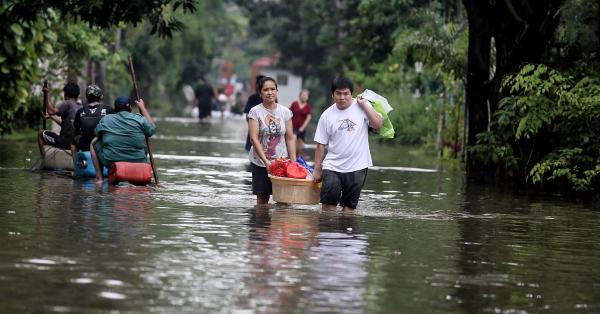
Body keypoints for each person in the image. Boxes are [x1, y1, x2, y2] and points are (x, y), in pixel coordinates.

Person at [312, 77, 383, 210]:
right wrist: (317, 169)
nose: (342, 97)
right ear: (332, 95)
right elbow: (320, 144)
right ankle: (327, 230)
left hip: (357, 166)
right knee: (328, 206)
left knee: (349, 208)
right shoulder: (326, 115)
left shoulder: (362, 107)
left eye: (346, 94)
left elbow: (378, 124)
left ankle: (346, 230)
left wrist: (366, 106)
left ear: (352, 93)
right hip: (332, 166)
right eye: (338, 93)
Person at [247, 76, 296, 205]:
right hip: (260, 163)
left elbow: (290, 138)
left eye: (272, 89)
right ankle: (261, 224)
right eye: (266, 90)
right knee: (262, 200)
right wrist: (266, 162)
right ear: (260, 93)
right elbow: (253, 138)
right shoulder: (255, 112)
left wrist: (293, 162)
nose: (270, 92)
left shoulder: (285, 112)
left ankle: (278, 225)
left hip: (281, 161)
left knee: (283, 200)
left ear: (277, 91)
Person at [90, 96, 156, 183]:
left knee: (94, 142)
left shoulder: (106, 119)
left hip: (111, 160)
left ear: (115, 108)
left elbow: (96, 133)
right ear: (130, 108)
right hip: (139, 160)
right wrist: (142, 108)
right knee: (143, 142)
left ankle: (99, 178)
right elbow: (152, 129)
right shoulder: (140, 119)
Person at [38, 82, 82, 154]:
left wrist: (47, 94)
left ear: (65, 94)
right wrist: (51, 117)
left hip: (65, 142)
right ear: (77, 95)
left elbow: (50, 111)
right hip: (77, 142)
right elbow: (66, 125)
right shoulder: (80, 106)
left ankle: (44, 160)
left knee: (40, 134)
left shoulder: (66, 103)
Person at [71, 84, 113, 159]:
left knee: (73, 142)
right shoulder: (108, 109)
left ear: (87, 98)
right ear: (101, 97)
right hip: (102, 144)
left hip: (85, 146)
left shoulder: (80, 111)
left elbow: (76, 131)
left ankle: (76, 167)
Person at [244, 75, 265, 151]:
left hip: (267, 131)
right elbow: (247, 115)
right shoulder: (252, 98)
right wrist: (252, 128)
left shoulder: (272, 98)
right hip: (254, 129)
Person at [289, 89, 312, 159]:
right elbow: (289, 114)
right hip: (293, 128)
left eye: (306, 95)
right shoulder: (294, 104)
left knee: (301, 146)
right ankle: (292, 158)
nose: (304, 97)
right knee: (293, 141)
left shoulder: (308, 107)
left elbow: (308, 118)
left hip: (301, 129)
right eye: (303, 95)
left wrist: (302, 128)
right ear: (300, 95)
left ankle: (300, 160)